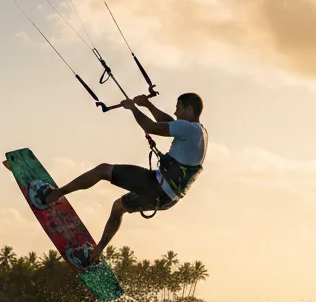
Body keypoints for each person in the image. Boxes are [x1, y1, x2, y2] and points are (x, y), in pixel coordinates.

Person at [30, 92, 207, 269]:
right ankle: (95, 254)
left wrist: (133, 108)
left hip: (156, 186)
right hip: (168, 199)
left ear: (189, 109)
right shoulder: (200, 132)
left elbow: (152, 127)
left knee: (103, 170)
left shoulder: (188, 129)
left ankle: (52, 195)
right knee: (118, 207)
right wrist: (148, 105)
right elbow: (170, 122)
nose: (175, 112)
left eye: (178, 108)